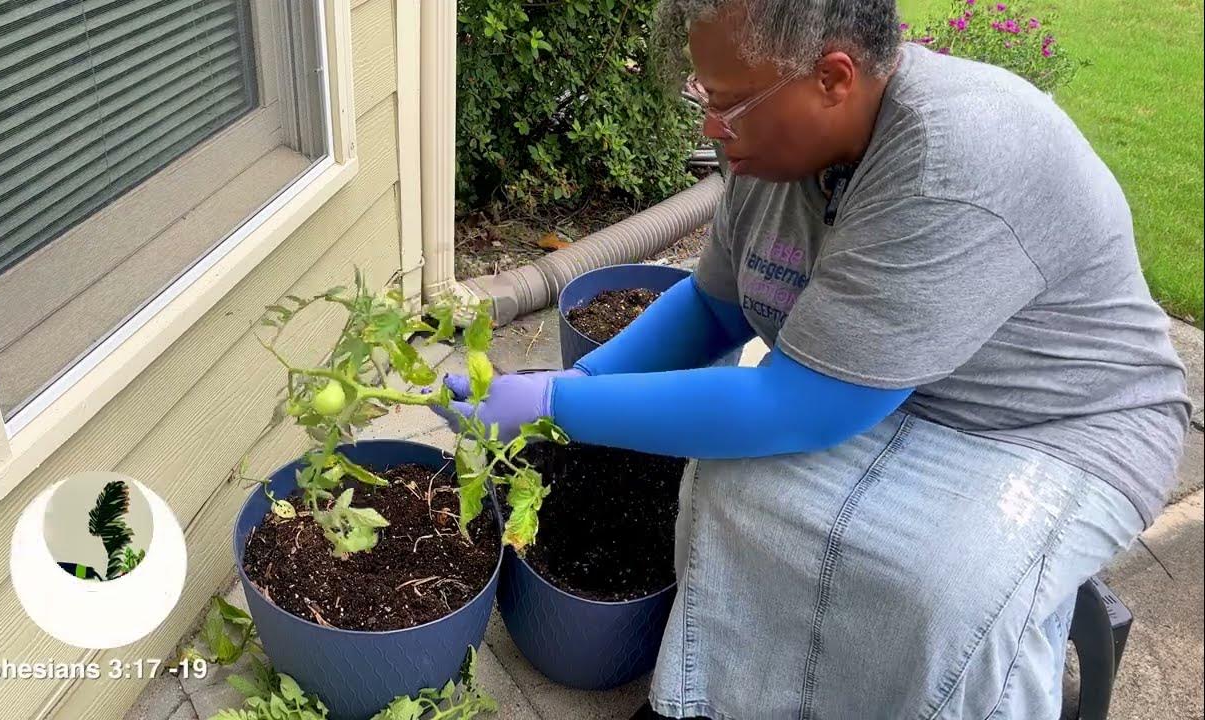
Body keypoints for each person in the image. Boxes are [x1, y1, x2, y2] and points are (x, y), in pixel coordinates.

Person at [436, 0, 1191, 717]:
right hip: (901, 386)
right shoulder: (769, 153)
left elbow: (802, 405)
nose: (710, 124)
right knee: (728, 493)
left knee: (942, 595)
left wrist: (550, 406)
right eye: (705, 92)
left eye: (728, 102)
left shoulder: (947, 167)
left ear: (833, 78)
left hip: (1058, 423)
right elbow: (713, 306)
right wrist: (582, 378)